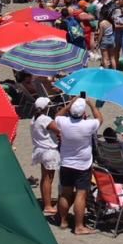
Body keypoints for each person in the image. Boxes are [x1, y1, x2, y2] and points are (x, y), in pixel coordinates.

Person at [55, 97, 102, 235]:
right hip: (82, 164)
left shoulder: (62, 122)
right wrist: (92, 105)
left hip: (66, 162)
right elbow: (100, 118)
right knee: (80, 195)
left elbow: (57, 116)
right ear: (83, 113)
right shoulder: (88, 125)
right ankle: (79, 226)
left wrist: (69, 104)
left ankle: (63, 221)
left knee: (66, 192)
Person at [30, 96, 61, 217]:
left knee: (44, 177)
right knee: (49, 178)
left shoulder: (34, 118)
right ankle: (48, 206)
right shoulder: (45, 119)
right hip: (49, 150)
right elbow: (59, 130)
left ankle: (46, 201)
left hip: (40, 150)